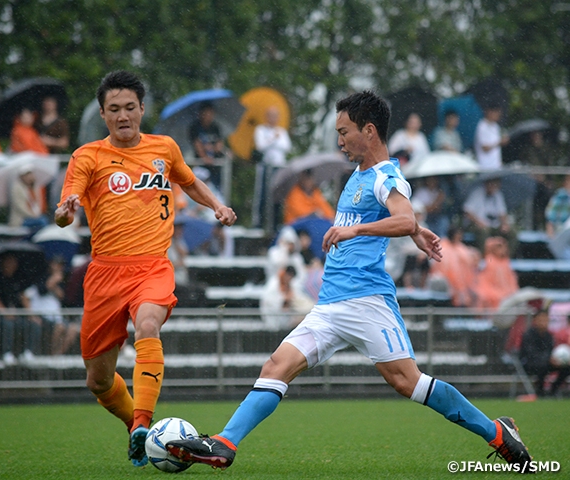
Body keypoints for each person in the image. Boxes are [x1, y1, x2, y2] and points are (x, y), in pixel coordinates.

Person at [165, 91, 532, 471]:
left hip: (367, 301)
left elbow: (402, 216)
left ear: (369, 131)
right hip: (329, 304)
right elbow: (405, 222)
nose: (339, 141)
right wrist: (417, 231)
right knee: (276, 366)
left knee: (409, 383)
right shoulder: (359, 175)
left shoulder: (386, 175)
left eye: (344, 132)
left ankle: (498, 433)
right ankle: (224, 443)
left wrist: (375, 229)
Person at [54, 70, 237, 468]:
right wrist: (65, 212)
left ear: (141, 109)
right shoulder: (87, 156)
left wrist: (217, 206)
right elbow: (68, 205)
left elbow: (189, 181)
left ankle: (143, 422)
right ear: (103, 113)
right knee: (98, 380)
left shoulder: (164, 148)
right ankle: (135, 427)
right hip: (104, 274)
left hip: (152, 267)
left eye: (130, 108)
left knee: (149, 325)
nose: (123, 116)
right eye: (114, 109)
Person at [0, 253, 42, 365]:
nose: (12, 265)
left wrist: (31, 315)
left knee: (34, 324)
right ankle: (6, 353)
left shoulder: (18, 278)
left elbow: (23, 297)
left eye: (13, 262)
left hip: (16, 315)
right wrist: (5, 313)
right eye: (9, 262)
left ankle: (28, 352)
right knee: (8, 324)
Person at [25, 256, 79, 355]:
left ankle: (59, 353)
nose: (59, 267)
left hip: (57, 316)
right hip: (43, 315)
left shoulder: (64, 280)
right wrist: (53, 280)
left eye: (61, 265)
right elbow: (42, 290)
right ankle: (51, 353)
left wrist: (56, 285)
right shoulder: (43, 277)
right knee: (60, 327)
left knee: (73, 329)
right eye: (57, 265)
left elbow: (65, 299)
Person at [519, 299, 570, 397]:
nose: (544, 322)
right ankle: (540, 391)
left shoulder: (548, 336)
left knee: (567, 367)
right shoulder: (529, 335)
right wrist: (547, 359)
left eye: (546, 320)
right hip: (530, 364)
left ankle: (553, 389)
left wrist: (555, 359)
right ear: (535, 320)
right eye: (541, 319)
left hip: (546, 362)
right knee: (542, 366)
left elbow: (550, 350)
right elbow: (530, 354)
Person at [252, 106, 292, 228]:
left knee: (277, 195)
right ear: (267, 117)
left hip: (278, 167)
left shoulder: (282, 131)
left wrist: (272, 142)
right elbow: (260, 146)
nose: (273, 119)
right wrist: (273, 139)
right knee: (263, 195)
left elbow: (287, 147)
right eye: (271, 116)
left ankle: (275, 223)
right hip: (266, 168)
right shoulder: (260, 130)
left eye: (276, 116)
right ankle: (259, 223)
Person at [463, 176, 517, 254]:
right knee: (484, 231)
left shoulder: (498, 195)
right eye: (492, 184)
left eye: (496, 185)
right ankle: (485, 258)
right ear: (486, 183)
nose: (493, 187)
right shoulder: (477, 193)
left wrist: (504, 224)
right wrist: (479, 222)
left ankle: (506, 257)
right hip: (476, 224)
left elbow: (502, 213)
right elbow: (467, 211)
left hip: (493, 225)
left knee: (512, 233)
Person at [260, 265, 315, 330]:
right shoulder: (273, 283)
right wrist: (283, 300)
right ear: (286, 274)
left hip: (286, 316)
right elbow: (268, 300)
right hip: (274, 315)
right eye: (289, 277)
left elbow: (297, 297)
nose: (289, 279)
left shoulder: (290, 284)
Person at [475, 236, 519, 310]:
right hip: (491, 290)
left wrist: (511, 290)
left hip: (506, 291)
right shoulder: (488, 261)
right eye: (499, 247)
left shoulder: (506, 262)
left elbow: (511, 280)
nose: (502, 250)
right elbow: (484, 281)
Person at [189, 102, 225, 189]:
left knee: (216, 190)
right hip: (201, 164)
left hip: (215, 165)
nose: (209, 116)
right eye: (207, 113)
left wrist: (213, 148)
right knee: (202, 189)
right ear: (201, 113)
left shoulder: (215, 127)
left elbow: (219, 144)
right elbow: (197, 145)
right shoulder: (195, 127)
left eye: (211, 113)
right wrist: (205, 157)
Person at [8, 163, 49, 231]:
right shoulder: (16, 188)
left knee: (43, 220)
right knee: (42, 221)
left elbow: (39, 202)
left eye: (30, 174)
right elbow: (20, 207)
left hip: (35, 216)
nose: (29, 177)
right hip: (22, 219)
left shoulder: (35, 187)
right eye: (26, 175)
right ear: (22, 176)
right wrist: (33, 216)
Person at [474, 105, 509, 171]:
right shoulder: (482, 126)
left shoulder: (496, 126)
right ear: (489, 112)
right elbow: (485, 148)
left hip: (496, 165)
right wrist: (500, 142)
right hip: (485, 165)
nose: (498, 115)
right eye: (496, 113)